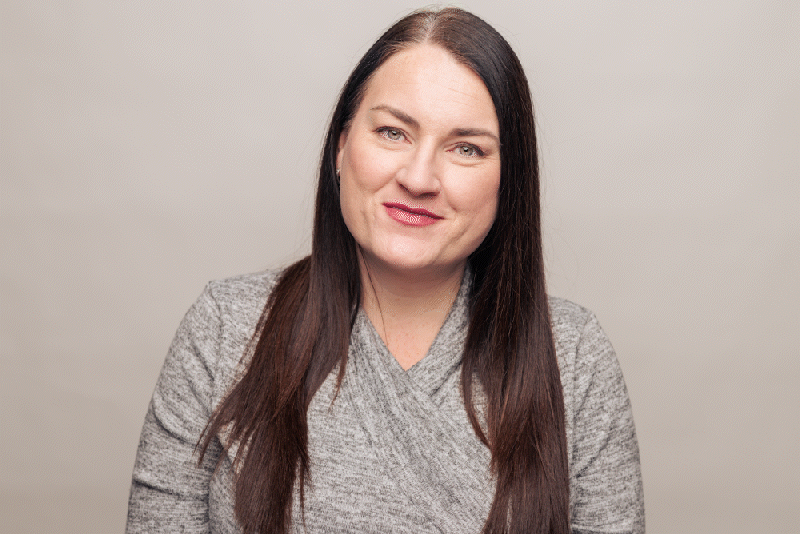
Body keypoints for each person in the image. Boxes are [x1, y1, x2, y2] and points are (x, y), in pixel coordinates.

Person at [126, 7, 644, 534]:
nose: (419, 178)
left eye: (466, 148)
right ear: (342, 145)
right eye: (394, 133)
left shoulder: (575, 359)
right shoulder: (225, 330)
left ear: (508, 181)